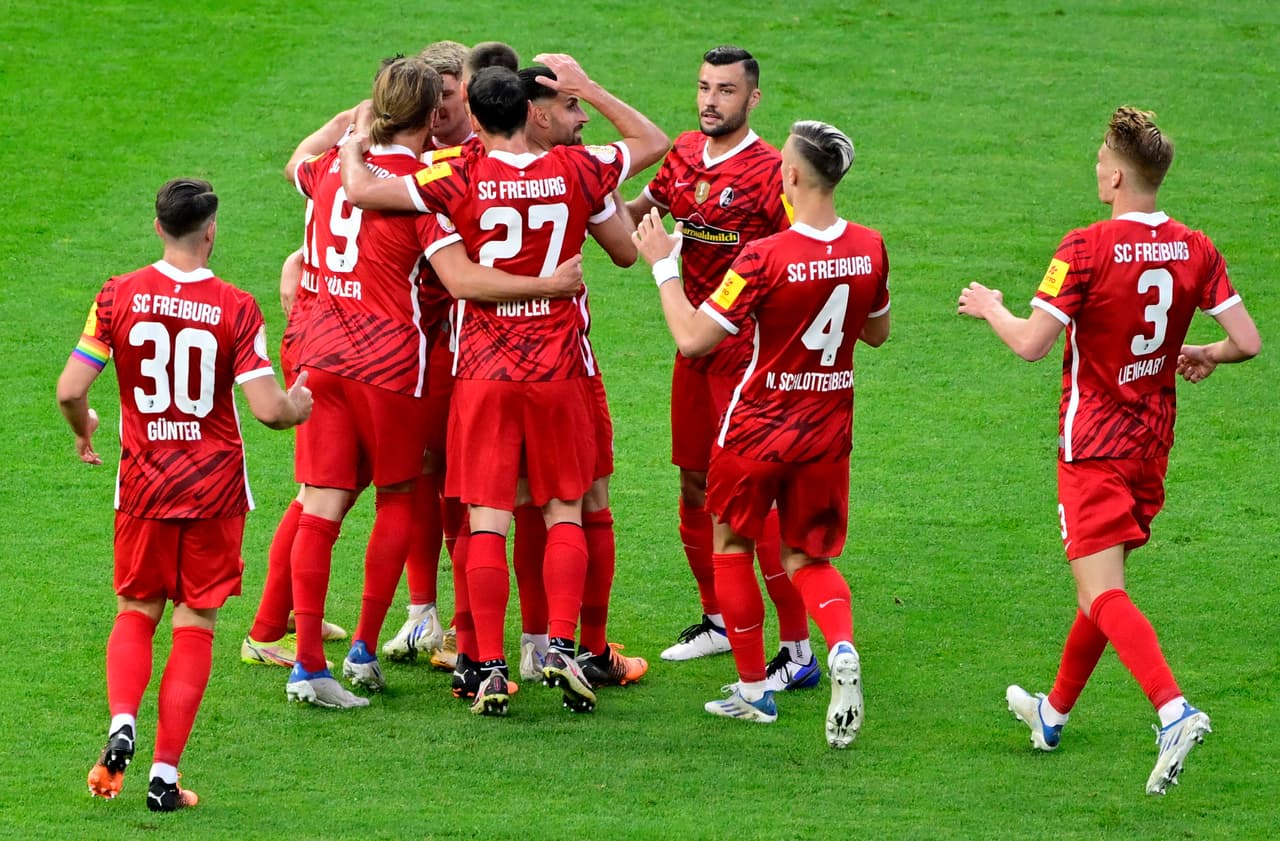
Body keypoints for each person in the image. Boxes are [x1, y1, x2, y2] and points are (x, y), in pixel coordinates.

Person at [340, 56, 668, 716]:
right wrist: (591, 89)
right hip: (559, 370)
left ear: (476, 119)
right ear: (528, 113)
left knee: (487, 517)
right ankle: (565, 650)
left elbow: (362, 191)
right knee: (565, 509)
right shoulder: (579, 168)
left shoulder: (454, 173)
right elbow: (654, 143)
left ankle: (487, 664)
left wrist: (352, 142)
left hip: (483, 372)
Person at [957, 106, 1260, 794]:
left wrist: (992, 307)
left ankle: (1174, 710)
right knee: (1100, 587)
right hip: (1150, 446)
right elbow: (1247, 341)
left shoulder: (1085, 247)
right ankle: (1052, 711)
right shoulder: (1195, 247)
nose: (1095, 166)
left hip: (1091, 445)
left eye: (1100, 158)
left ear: (1119, 174)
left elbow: (1033, 344)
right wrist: (1203, 352)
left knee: (1102, 592)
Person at [283, 57, 585, 709]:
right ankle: (363, 650)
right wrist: (548, 284)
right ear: (431, 118)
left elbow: (296, 162)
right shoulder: (425, 185)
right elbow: (461, 280)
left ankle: (307, 662)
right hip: (392, 363)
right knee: (400, 499)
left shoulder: (332, 170)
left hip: (317, 355)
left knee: (321, 506)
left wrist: (350, 129)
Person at [634, 119, 889, 748]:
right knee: (810, 558)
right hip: (829, 431)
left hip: (758, 428)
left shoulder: (765, 256)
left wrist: (666, 266)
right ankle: (840, 648)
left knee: (731, 544)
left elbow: (694, 340)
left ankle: (752, 692)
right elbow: (877, 333)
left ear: (794, 176)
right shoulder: (871, 246)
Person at [64, 178, 313, 810]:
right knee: (194, 623)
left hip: (143, 486)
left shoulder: (117, 294)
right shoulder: (237, 306)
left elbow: (70, 390)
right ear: (211, 231)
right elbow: (270, 412)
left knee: (136, 611)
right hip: (213, 491)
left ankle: (123, 721)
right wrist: (300, 402)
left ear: (157, 228)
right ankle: (164, 777)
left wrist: (85, 427)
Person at [626, 47, 816, 690]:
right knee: (693, 484)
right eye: (704, 87)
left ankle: (794, 648)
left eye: (726, 91)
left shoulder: (771, 173)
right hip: (694, 349)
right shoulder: (680, 153)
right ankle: (716, 618)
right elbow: (632, 222)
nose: (711, 101)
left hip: (747, 358)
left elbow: (800, 254)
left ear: (753, 99)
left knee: (751, 504)